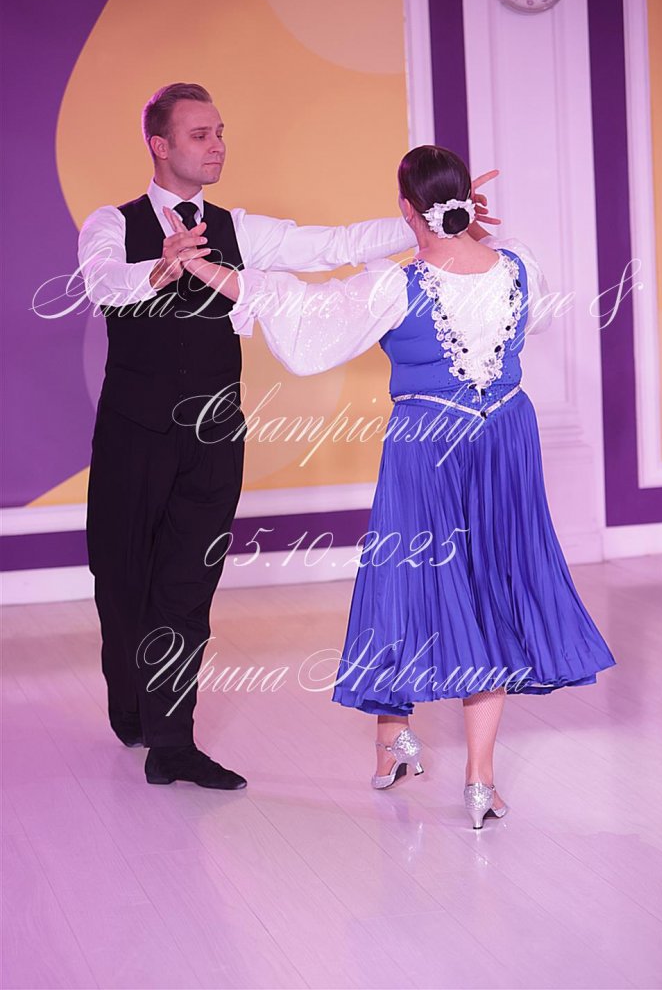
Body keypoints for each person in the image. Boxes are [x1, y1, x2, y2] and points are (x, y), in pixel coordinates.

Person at [177, 144, 618, 826]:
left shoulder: (394, 285)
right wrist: (473, 236)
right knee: (491, 590)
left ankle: (395, 739)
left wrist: (201, 266)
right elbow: (531, 317)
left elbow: (301, 311)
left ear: (407, 210)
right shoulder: (521, 265)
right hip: (505, 436)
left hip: (426, 444)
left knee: (404, 582)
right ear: (467, 202)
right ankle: (476, 780)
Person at [77, 82, 500, 791]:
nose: (217, 145)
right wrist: (161, 264)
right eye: (200, 135)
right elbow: (101, 284)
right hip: (132, 436)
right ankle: (134, 706)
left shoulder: (239, 228)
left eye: (220, 132)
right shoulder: (112, 223)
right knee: (121, 582)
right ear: (159, 144)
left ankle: (172, 743)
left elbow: (336, 245)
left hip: (214, 435)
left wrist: (436, 217)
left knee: (187, 584)